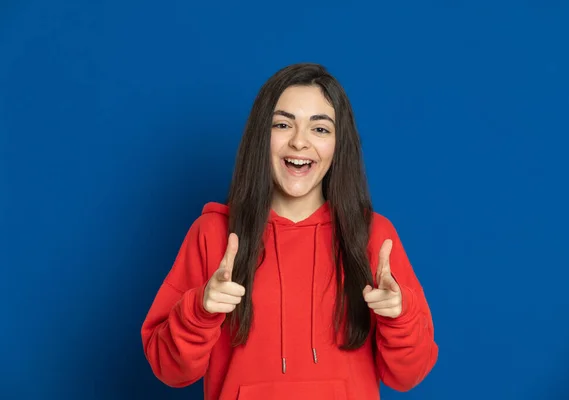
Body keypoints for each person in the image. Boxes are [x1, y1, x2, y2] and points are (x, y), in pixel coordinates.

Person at [141, 63, 438, 399]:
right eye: (283, 124)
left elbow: (408, 376)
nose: (299, 142)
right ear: (260, 136)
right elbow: (169, 370)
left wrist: (399, 317)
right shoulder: (214, 234)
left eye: (320, 129)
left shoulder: (373, 236)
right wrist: (200, 311)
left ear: (340, 144)